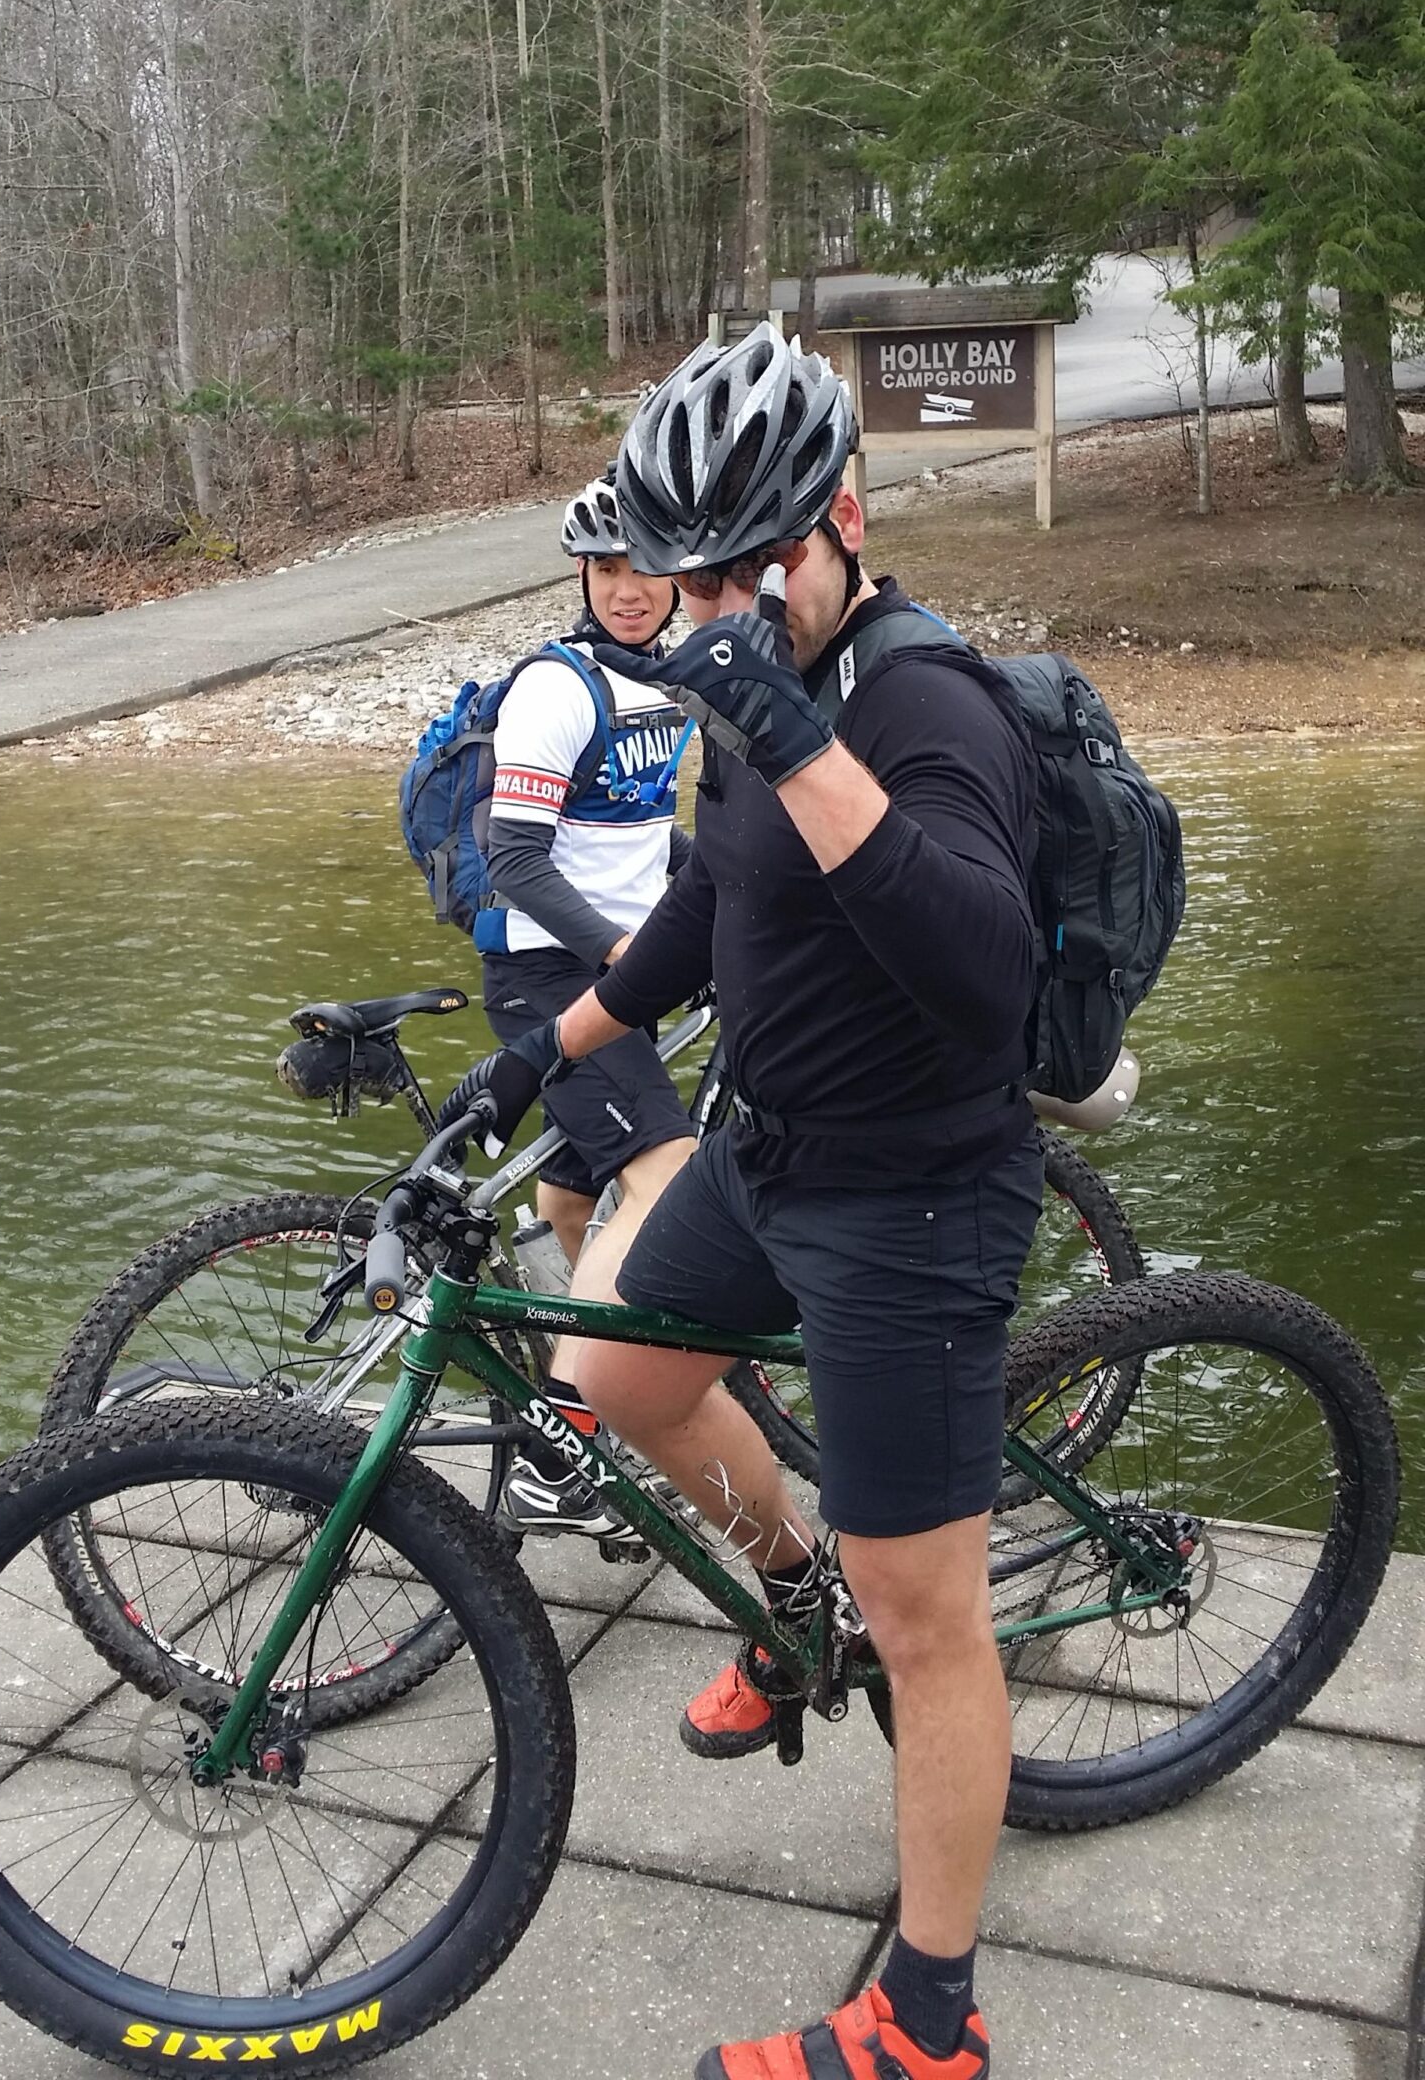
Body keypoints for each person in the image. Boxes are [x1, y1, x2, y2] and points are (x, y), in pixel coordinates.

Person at [444, 325, 1041, 2079]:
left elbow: (987, 976)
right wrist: (544, 1053)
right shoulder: (747, 674)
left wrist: (792, 733)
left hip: (911, 1203)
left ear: (840, 517)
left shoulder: (931, 702)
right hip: (763, 1153)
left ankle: (929, 2016)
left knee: (928, 1615)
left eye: (747, 566)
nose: (710, 602)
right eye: (688, 571)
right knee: (613, 1382)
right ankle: (796, 1621)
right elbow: (713, 903)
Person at [481, 472, 697, 1538]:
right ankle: (560, 1454)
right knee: (674, 1179)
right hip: (552, 977)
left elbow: (651, 841)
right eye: (609, 568)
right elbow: (512, 858)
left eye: (646, 568)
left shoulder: (660, 683)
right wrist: (625, 953)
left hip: (623, 970)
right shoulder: (559, 689)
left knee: (573, 1208)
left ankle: (578, 1392)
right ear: (581, 572)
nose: (628, 588)